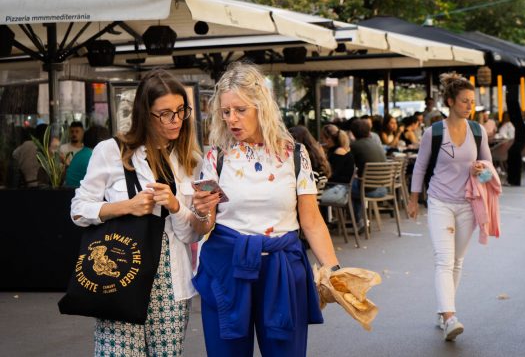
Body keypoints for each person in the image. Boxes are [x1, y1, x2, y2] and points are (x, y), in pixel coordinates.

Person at [191, 62, 340, 356]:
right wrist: (200, 211)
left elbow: (311, 221)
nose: (232, 119)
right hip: (226, 266)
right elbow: (202, 228)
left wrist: (334, 270)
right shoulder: (215, 156)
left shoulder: (294, 155)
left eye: (240, 110)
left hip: (282, 268)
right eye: (225, 111)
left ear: (261, 107)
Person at [70, 69, 202, 355]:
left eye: (181, 111)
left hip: (171, 281)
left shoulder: (189, 161)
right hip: (121, 272)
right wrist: (126, 206)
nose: (176, 120)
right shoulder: (111, 151)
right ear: (145, 113)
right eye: (165, 113)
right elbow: (79, 211)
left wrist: (176, 205)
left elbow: (191, 233)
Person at [407, 72, 491, 341]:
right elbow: (420, 167)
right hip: (440, 202)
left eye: (472, 102)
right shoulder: (434, 132)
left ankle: (444, 308)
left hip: (468, 205)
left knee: (457, 261)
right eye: (465, 101)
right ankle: (449, 316)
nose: (470, 106)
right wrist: (413, 198)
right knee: (444, 259)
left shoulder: (478, 132)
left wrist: (482, 171)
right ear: (451, 102)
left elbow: (491, 172)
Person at [350, 118, 387, 226]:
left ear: (353, 132)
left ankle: (359, 221)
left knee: (346, 189)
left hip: (370, 190)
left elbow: (349, 166)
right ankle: (361, 220)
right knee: (357, 186)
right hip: (383, 188)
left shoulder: (355, 146)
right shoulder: (376, 143)